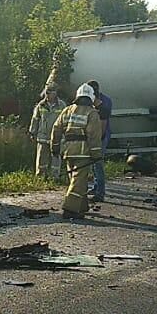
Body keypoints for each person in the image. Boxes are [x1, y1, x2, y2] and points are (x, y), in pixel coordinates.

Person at [50, 83, 104, 218]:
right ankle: (70, 209)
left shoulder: (67, 110)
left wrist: (55, 147)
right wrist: (97, 154)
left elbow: (56, 129)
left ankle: (81, 207)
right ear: (91, 98)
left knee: (76, 180)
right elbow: (94, 136)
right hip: (83, 152)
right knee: (78, 180)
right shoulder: (92, 113)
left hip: (68, 151)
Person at [28, 85, 66, 179]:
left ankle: (54, 177)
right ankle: (40, 177)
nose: (48, 95)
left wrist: (66, 135)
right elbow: (35, 119)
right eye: (47, 93)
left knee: (55, 158)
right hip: (43, 137)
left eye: (50, 93)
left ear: (55, 93)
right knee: (41, 158)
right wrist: (32, 132)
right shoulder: (40, 105)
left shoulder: (62, 105)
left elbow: (65, 121)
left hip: (57, 137)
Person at [86, 80, 112, 201]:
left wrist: (98, 139)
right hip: (94, 136)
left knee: (98, 164)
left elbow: (103, 120)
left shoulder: (104, 102)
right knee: (93, 163)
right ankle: (96, 187)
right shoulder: (89, 100)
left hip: (101, 136)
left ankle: (100, 192)